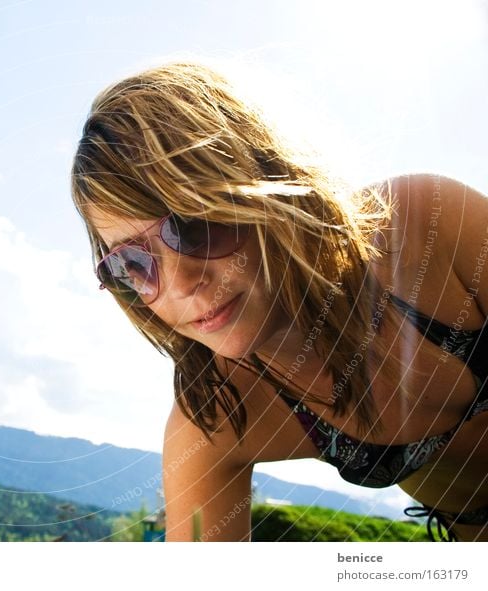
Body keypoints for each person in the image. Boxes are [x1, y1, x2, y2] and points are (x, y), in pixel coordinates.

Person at [69, 61, 488, 542]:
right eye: (132, 265)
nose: (182, 283)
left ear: (265, 181)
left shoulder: (426, 229)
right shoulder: (218, 418)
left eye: (191, 225)